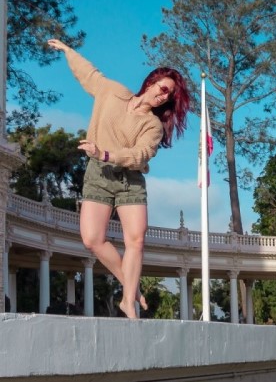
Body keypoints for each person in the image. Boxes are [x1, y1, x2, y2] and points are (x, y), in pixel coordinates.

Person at [47, 38, 190, 318]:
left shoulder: (153, 126)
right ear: (151, 82)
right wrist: (68, 51)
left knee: (136, 240)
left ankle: (128, 302)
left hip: (130, 181)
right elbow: (90, 75)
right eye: (163, 89)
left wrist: (106, 154)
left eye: (169, 97)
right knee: (91, 239)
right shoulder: (113, 92)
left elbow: (140, 155)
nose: (163, 97)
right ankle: (131, 286)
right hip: (98, 174)